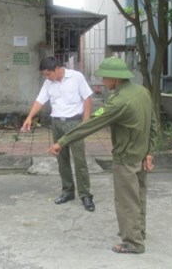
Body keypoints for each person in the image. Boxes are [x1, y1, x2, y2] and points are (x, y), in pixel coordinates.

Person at [48, 57, 157, 254]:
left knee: (126, 201)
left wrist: (62, 141)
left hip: (126, 158)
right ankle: (138, 231)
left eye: (104, 77)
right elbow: (153, 123)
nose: (102, 81)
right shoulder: (142, 92)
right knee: (138, 196)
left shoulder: (119, 102)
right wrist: (150, 152)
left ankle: (133, 242)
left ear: (114, 79)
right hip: (140, 155)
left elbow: (91, 125)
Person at [21, 56, 95, 212]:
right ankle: (68, 191)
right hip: (57, 124)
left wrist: (85, 122)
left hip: (74, 123)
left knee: (79, 160)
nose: (47, 78)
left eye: (48, 74)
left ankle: (85, 195)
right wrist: (29, 118)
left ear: (57, 69)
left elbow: (87, 99)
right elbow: (40, 101)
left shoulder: (76, 77)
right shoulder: (49, 83)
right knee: (62, 159)